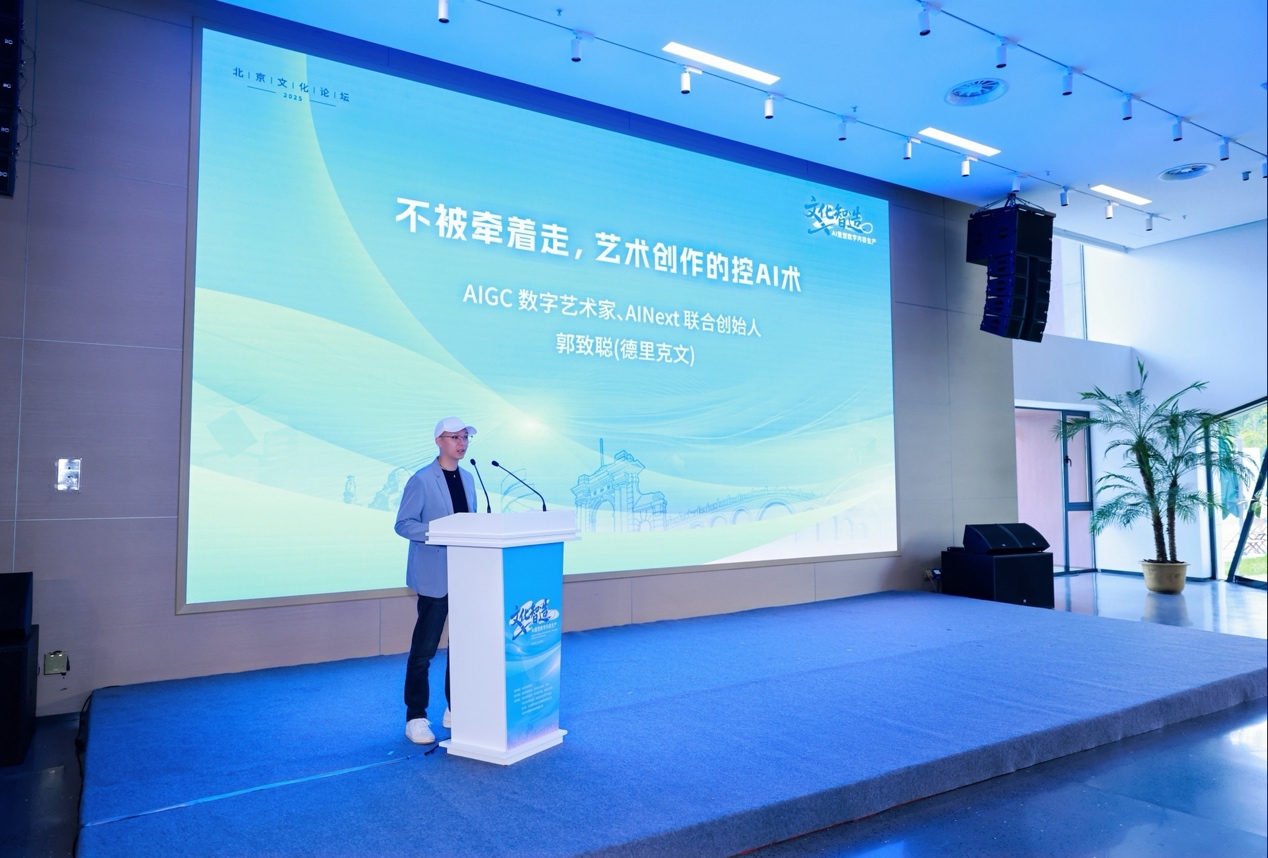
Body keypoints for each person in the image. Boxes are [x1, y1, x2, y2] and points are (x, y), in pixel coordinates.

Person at [395, 416, 478, 744]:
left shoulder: (469, 478)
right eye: (454, 437)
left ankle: (455, 708)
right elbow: (403, 524)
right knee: (424, 651)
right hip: (434, 577)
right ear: (438, 441)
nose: (462, 443)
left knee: (462, 646)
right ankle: (415, 717)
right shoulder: (421, 480)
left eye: (465, 437)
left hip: (466, 574)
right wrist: (439, 532)